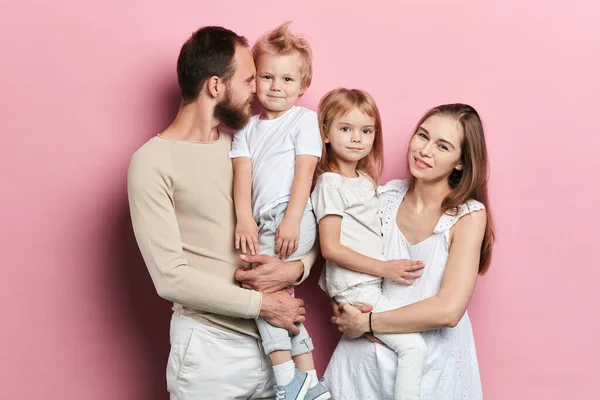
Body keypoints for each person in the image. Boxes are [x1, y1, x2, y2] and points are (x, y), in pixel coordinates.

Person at [127, 25, 318, 400]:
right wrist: (264, 304)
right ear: (216, 86)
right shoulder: (151, 162)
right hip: (209, 350)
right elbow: (171, 279)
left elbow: (296, 217)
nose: (257, 90)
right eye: (250, 79)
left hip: (273, 344)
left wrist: (298, 268)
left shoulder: (243, 146)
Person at [324, 103, 495, 400]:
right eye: (422, 136)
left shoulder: (467, 216)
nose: (424, 150)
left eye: (442, 146)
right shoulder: (384, 196)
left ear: (460, 163)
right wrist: (339, 302)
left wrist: (364, 322)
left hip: (433, 369)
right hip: (363, 364)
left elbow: (448, 310)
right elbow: (336, 244)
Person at [229, 22, 330, 400]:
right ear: (254, 80)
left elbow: (306, 172)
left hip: (293, 216)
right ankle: (309, 383)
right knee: (278, 296)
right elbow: (242, 176)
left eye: (287, 79)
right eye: (267, 76)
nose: (276, 86)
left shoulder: (303, 120)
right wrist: (243, 218)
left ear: (302, 87)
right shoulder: (245, 127)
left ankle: (286, 379)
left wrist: (291, 218)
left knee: (259, 290)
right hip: (263, 220)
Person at [310, 88, 427, 400]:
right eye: (345, 129)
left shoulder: (364, 180)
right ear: (325, 133)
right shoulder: (330, 184)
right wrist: (384, 268)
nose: (356, 138)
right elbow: (330, 248)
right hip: (356, 286)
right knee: (413, 348)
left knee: (390, 352)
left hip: (368, 285)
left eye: (366, 131)